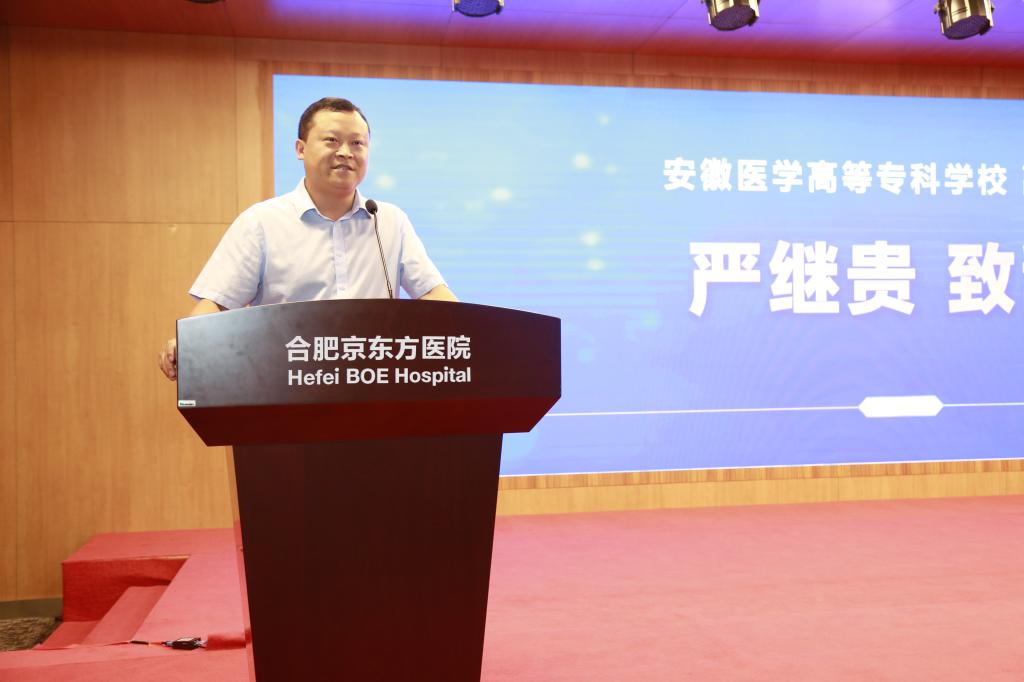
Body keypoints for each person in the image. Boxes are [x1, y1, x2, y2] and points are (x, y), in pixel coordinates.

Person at [158, 97, 457, 380]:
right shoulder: (262, 222)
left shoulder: (389, 221)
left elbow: (433, 294)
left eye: (357, 143)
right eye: (332, 140)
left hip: (374, 384)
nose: (346, 152)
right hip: (286, 382)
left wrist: (474, 331)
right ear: (300, 149)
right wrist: (189, 342)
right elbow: (218, 304)